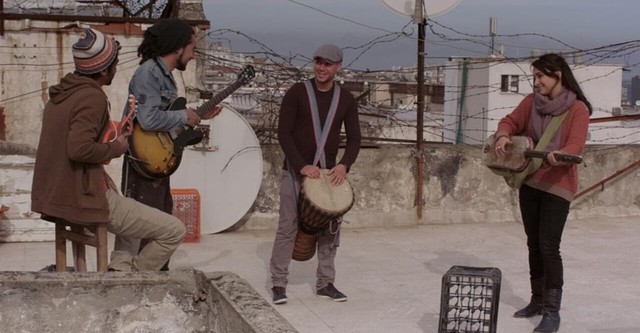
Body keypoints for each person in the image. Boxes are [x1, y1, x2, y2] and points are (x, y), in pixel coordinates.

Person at [31, 28, 186, 272]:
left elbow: (72, 140)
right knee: (174, 230)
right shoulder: (92, 98)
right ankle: (134, 278)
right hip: (83, 196)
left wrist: (113, 134)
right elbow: (79, 149)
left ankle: (119, 271)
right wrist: (117, 148)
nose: (116, 69)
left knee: (134, 221)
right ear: (103, 69)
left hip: (57, 195)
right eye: (113, 64)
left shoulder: (61, 96)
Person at [493, 53, 592, 333]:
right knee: (533, 244)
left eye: (540, 76)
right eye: (534, 76)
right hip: (530, 182)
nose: (536, 82)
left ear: (557, 75)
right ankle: (536, 300)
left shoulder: (578, 109)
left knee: (549, 247)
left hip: (558, 186)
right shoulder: (531, 103)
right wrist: (502, 134)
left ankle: (552, 310)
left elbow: (575, 147)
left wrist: (559, 155)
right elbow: (510, 121)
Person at [119, 18, 220, 269]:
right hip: (144, 161)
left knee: (161, 223)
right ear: (177, 47)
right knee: (150, 228)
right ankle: (146, 282)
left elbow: (164, 117)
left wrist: (195, 115)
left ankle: (155, 278)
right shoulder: (148, 74)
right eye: (192, 48)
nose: (193, 54)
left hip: (158, 160)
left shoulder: (165, 76)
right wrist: (183, 115)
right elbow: (148, 118)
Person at [269, 44, 361, 304]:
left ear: (338, 67)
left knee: (330, 230)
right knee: (287, 228)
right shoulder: (297, 93)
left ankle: (325, 283)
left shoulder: (345, 99)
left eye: (328, 63)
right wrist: (300, 165)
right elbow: (283, 133)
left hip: (326, 174)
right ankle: (278, 283)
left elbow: (354, 139)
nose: (322, 67)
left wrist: (343, 165)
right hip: (295, 172)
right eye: (318, 62)